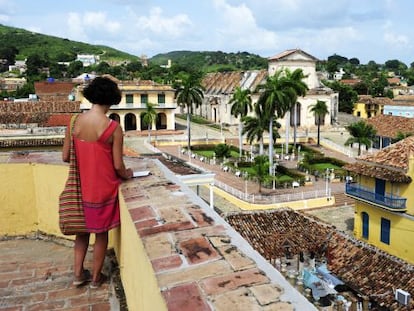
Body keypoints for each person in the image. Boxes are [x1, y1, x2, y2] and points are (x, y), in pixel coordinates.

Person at [62, 76, 133, 288]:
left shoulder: (74, 122)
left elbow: (66, 156)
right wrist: (128, 173)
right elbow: (118, 165)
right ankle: (95, 278)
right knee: (101, 235)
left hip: (79, 188)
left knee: (81, 233)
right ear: (112, 99)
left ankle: (77, 275)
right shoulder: (113, 128)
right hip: (102, 190)